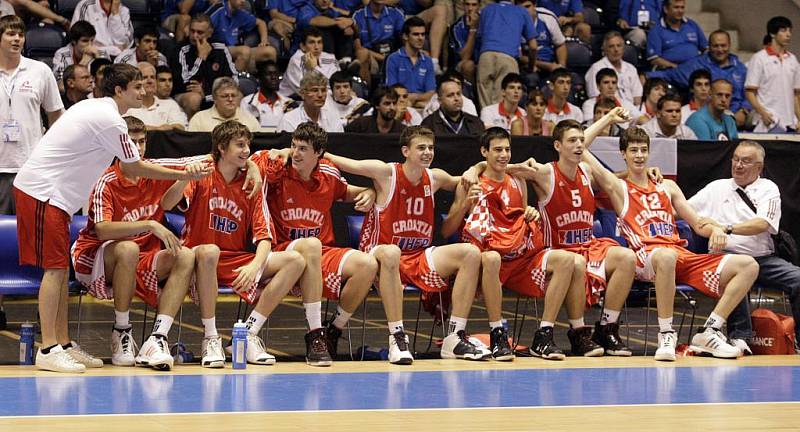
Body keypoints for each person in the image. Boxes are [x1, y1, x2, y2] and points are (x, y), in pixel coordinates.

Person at [13, 63, 212, 373]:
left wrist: (184, 169)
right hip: (43, 193)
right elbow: (135, 167)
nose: (145, 92)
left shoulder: (97, 109)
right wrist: (185, 172)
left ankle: (63, 343)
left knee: (58, 270)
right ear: (119, 91)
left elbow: (144, 162)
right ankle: (48, 347)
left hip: (54, 197)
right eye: (137, 87)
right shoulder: (110, 121)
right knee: (53, 271)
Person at [583, 114, 756, 359]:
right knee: (665, 256)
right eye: (633, 150)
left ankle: (710, 330)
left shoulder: (667, 187)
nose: (639, 155)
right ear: (623, 154)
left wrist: (717, 229)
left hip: (678, 255)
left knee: (748, 265)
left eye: (643, 150)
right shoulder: (618, 188)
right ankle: (666, 333)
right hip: (647, 259)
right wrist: (609, 118)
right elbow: (581, 146)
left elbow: (697, 223)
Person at [325, 127, 494, 360]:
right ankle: (397, 337)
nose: (428, 152)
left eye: (431, 148)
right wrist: (287, 151)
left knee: (470, 253)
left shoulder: (434, 178)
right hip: (379, 255)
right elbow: (338, 161)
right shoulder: (386, 173)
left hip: (416, 255)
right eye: (421, 147)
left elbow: (466, 180)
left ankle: (454, 337)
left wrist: (476, 170)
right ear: (405, 151)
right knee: (393, 252)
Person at [253, 123, 410, 362]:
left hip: (322, 252)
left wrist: (369, 191)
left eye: (303, 148)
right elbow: (256, 161)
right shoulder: (280, 170)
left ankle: (333, 330)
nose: (296, 153)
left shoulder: (328, 172)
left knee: (367, 264)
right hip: (284, 251)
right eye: (294, 146)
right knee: (311, 244)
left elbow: (348, 192)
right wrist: (281, 152)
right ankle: (314, 334)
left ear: (318, 153)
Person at [161, 120, 308, 367]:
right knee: (210, 251)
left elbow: (264, 237)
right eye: (239, 145)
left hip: (233, 258)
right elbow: (166, 204)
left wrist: (255, 267)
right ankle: (210, 337)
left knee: (295, 260)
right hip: (197, 257)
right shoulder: (202, 174)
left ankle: (248, 333)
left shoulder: (252, 183)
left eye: (247, 145)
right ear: (221, 148)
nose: (246, 150)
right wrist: (185, 177)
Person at [442, 127, 592, 360]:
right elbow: (446, 230)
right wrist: (462, 207)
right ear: (484, 151)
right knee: (492, 258)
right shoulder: (471, 183)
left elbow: (519, 217)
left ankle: (544, 335)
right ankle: (497, 333)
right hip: (488, 264)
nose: (503, 154)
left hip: (519, 260)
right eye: (497, 150)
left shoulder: (517, 181)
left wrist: (530, 213)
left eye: (507, 149)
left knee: (567, 259)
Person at [71, 116, 207, 370]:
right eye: (131, 142)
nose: (138, 148)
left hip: (143, 254)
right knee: (127, 247)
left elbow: (207, 160)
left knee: (185, 255)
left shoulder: (153, 169)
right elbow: (102, 230)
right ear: (118, 146)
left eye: (142, 141)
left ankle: (157, 338)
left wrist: (188, 177)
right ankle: (121, 331)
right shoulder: (106, 181)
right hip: (96, 257)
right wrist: (150, 224)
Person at [512, 118, 637, 357]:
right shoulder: (546, 172)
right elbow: (504, 167)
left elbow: (619, 177)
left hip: (587, 245)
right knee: (574, 261)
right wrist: (476, 169)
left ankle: (606, 329)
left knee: (626, 257)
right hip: (554, 250)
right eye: (572, 141)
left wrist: (642, 172)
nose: (579, 144)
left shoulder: (588, 172)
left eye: (582, 140)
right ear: (558, 146)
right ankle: (578, 333)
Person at [689, 140, 800, 354]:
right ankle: (739, 337)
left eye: (746, 161)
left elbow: (763, 224)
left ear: (759, 167)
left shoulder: (768, 188)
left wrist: (725, 227)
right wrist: (710, 226)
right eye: (736, 159)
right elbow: (685, 210)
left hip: (764, 259)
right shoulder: (716, 188)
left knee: (798, 279)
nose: (738, 165)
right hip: (726, 259)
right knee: (736, 271)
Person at [0, 15, 63, 216]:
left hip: (30, 166)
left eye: (20, 34)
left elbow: (56, 115)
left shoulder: (40, 71)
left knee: (28, 229)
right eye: (10, 34)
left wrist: (49, 152)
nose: (17, 38)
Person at [648, 30, 750, 127]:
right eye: (715, 46)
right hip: (706, 115)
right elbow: (669, 75)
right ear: (709, 47)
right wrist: (646, 76)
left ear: (729, 46)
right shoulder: (696, 65)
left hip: (736, 116)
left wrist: (744, 111)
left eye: (723, 45)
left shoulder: (741, 69)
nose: (720, 50)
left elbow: (749, 93)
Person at [476, 0, 537, 108]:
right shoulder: (522, 11)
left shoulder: (486, 10)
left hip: (486, 56)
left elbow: (479, 37)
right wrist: (531, 66)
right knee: (503, 107)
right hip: (507, 59)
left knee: (485, 108)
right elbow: (533, 46)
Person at [175, 14, 238, 119]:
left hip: (211, 94)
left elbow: (233, 79)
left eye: (200, 32)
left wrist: (208, 94)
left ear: (210, 33)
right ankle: (194, 132)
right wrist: (201, 58)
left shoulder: (221, 49)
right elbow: (185, 83)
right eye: (192, 31)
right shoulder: (182, 50)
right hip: (185, 95)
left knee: (237, 95)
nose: (195, 36)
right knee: (194, 99)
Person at [745, 16, 800, 133]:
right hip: (767, 122)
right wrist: (762, 113)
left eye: (790, 30)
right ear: (772, 33)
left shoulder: (793, 60)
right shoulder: (759, 58)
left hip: (790, 122)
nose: (788, 34)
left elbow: (795, 95)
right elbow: (750, 92)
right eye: (784, 30)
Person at [206, 0, 276, 72]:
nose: (243, 1)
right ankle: (235, 80)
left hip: (235, 49)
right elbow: (201, 26)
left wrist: (264, 40)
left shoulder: (239, 12)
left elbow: (261, 23)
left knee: (270, 51)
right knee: (244, 51)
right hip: (217, 50)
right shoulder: (218, 10)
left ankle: (257, 81)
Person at [385, 17, 436, 109]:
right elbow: (392, 92)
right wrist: (411, 101)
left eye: (423, 34)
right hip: (400, 106)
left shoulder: (428, 61)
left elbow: (431, 93)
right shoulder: (394, 59)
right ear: (405, 36)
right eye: (416, 34)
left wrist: (414, 98)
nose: (420, 38)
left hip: (423, 106)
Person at [353, 0, 404, 86]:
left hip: (393, 56)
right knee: (362, 53)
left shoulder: (396, 14)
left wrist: (392, 58)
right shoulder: (358, 15)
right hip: (372, 57)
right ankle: (365, 93)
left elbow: (406, 40)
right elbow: (358, 48)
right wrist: (383, 58)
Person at [585, 31, 643, 106]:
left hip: (630, 110)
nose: (616, 49)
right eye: (611, 46)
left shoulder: (631, 68)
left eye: (619, 46)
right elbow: (595, 96)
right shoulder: (596, 68)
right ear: (605, 49)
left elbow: (637, 97)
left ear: (623, 48)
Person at [278, 27, 339, 98]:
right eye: (312, 42)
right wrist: (313, 69)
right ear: (303, 46)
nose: (316, 47)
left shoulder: (330, 58)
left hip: (327, 98)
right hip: (293, 100)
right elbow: (303, 91)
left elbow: (338, 82)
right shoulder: (296, 61)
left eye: (319, 42)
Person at [126, 62, 187, 131]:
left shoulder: (170, 104)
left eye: (152, 77)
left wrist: (149, 129)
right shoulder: (128, 107)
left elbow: (181, 127)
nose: (150, 81)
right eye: (144, 77)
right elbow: (127, 128)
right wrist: (159, 129)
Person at [646, 0, 707, 70]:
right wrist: (678, 68)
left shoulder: (692, 24)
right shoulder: (656, 30)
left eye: (682, 7)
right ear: (666, 9)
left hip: (696, 69)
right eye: (676, 7)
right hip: (671, 70)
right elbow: (654, 59)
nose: (680, 11)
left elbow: (705, 48)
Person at [516, 0, 566, 83]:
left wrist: (561, 68)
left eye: (527, 7)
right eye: (520, 8)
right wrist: (547, 66)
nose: (524, 11)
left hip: (549, 62)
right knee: (532, 78)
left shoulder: (548, 17)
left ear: (535, 5)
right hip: (527, 66)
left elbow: (560, 45)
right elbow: (520, 57)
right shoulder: (513, 23)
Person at [278, 71, 343, 132]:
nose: (320, 95)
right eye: (314, 90)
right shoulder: (289, 120)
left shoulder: (333, 118)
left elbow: (342, 144)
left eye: (323, 90)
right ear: (302, 94)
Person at [188, 76, 260, 132]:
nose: (230, 99)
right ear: (214, 98)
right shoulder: (199, 120)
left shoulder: (250, 120)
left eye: (233, 95)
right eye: (225, 96)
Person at [52, 20, 109, 88]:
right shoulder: (62, 54)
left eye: (92, 40)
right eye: (85, 41)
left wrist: (99, 61)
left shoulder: (101, 53)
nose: (90, 45)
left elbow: (109, 84)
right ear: (74, 41)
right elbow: (61, 87)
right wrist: (83, 63)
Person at [295, 0, 355, 64]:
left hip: (330, 55)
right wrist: (337, 23)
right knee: (322, 27)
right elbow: (314, 20)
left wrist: (347, 25)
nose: (325, 1)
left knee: (344, 28)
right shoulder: (305, 10)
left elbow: (345, 21)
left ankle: (346, 61)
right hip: (305, 56)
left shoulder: (330, 10)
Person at [241, 60, 295, 131]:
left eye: (276, 74)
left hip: (283, 141)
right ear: (259, 78)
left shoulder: (289, 103)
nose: (274, 77)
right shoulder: (247, 102)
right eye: (269, 74)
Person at [448, 0, 480, 84]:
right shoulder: (456, 27)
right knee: (469, 66)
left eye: (474, 5)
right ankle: (472, 96)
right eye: (467, 4)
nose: (470, 8)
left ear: (479, 6)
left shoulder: (485, 23)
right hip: (462, 64)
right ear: (463, 6)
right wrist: (473, 30)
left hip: (482, 61)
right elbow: (464, 57)